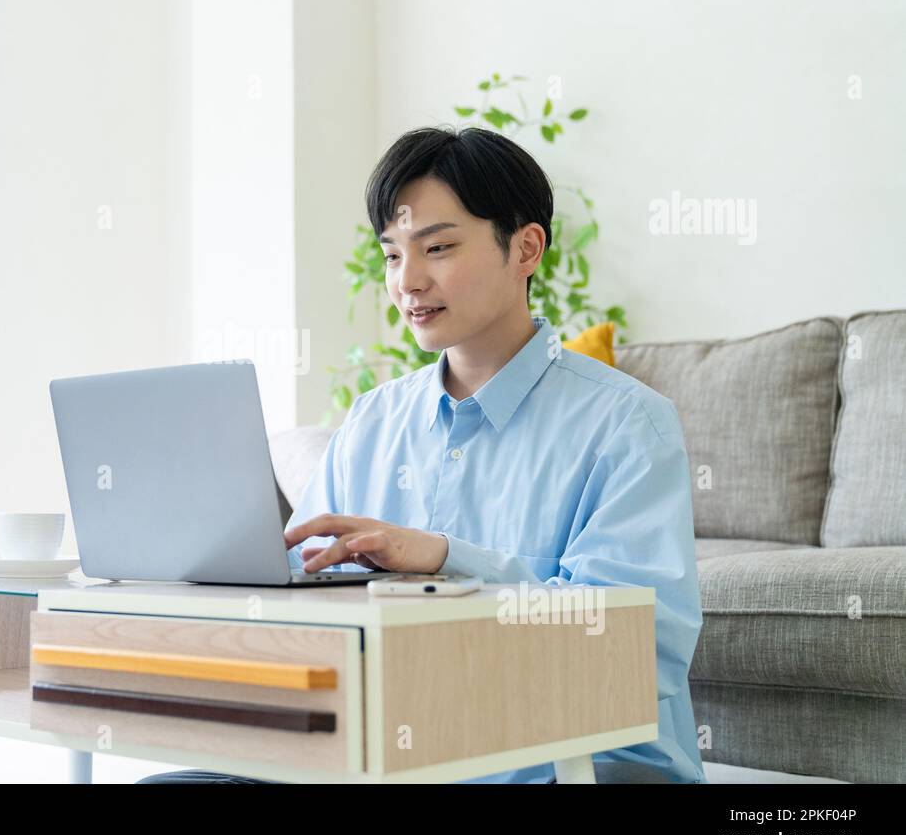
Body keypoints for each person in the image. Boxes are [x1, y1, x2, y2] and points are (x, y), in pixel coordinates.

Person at [138, 126, 706, 784]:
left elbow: (638, 653)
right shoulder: (374, 421)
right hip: (395, 755)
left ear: (525, 248)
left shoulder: (629, 424)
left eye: (436, 247)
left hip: (570, 762)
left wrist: (443, 559)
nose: (407, 281)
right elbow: (305, 603)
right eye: (390, 256)